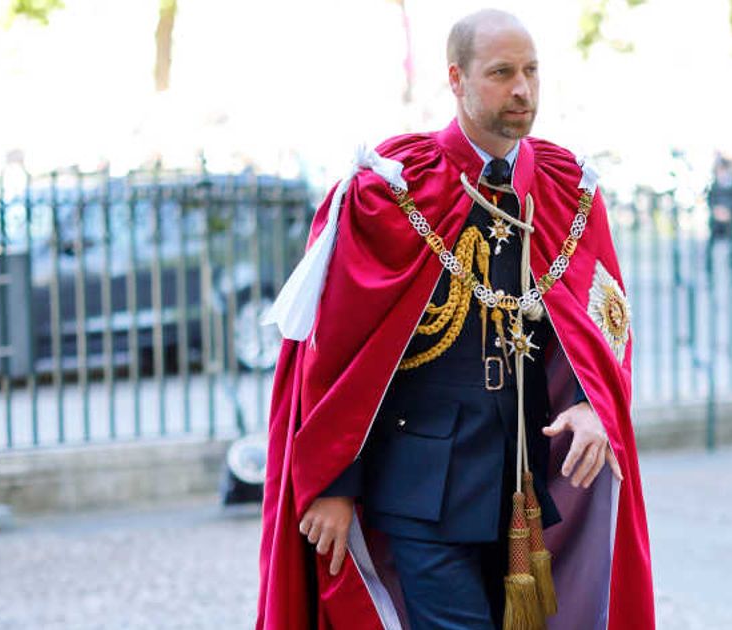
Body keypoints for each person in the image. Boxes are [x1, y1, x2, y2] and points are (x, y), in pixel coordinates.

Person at [256, 9, 653, 630]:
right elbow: (337, 353)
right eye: (500, 73)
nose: (522, 89)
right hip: (421, 484)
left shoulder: (565, 187)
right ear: (457, 79)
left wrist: (588, 400)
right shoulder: (391, 188)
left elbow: (600, 319)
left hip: (523, 484)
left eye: (530, 72)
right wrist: (333, 482)